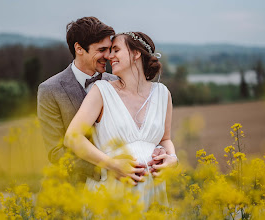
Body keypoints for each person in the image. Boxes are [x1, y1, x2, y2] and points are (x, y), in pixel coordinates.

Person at [38, 17, 164, 185]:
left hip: (126, 185)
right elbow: (56, 152)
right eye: (102, 49)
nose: (108, 55)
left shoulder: (118, 82)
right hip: (72, 189)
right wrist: (107, 170)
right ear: (79, 48)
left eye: (111, 49)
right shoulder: (50, 89)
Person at [65, 31, 178, 209]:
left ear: (136, 53)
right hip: (112, 191)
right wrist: (112, 165)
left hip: (153, 192)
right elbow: (72, 137)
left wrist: (172, 158)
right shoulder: (101, 91)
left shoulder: (163, 93)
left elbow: (165, 139)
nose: (109, 56)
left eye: (116, 50)